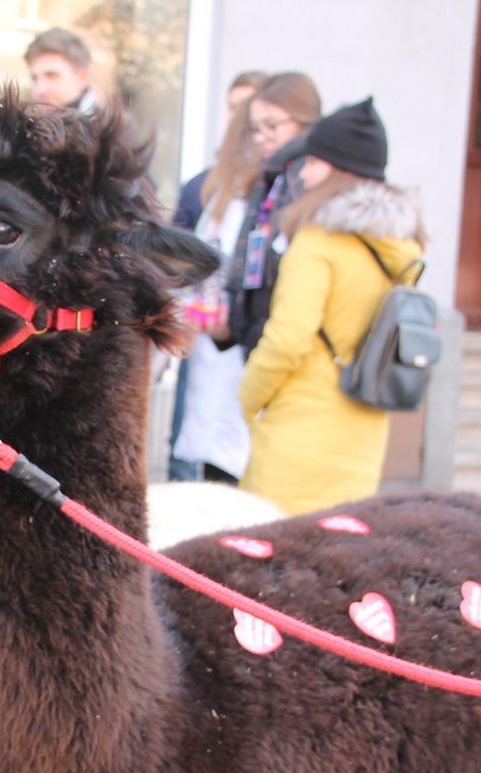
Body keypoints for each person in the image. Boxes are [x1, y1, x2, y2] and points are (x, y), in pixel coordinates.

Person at [237, 97, 426, 515]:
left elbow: (288, 337)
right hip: (363, 433)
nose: (303, 174)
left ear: (340, 169)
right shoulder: (403, 247)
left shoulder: (318, 242)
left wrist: (248, 396)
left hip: (299, 433)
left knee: (272, 560)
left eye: (313, 163)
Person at [168, 79, 265, 482]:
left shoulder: (274, 192)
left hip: (246, 350)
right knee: (195, 450)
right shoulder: (204, 188)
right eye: (234, 110)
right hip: (201, 339)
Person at [217, 71, 322, 357]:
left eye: (272, 125)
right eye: (255, 128)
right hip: (257, 347)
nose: (261, 137)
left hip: (288, 355)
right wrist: (231, 327)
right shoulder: (270, 179)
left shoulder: (309, 184)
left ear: (304, 120)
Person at [171, 71, 268, 231]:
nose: (237, 116)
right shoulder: (198, 186)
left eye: (245, 107)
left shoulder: (276, 185)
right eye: (232, 107)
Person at [25, 28, 98, 111]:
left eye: (51, 76)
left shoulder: (103, 123)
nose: (40, 89)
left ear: (82, 77)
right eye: (34, 79)